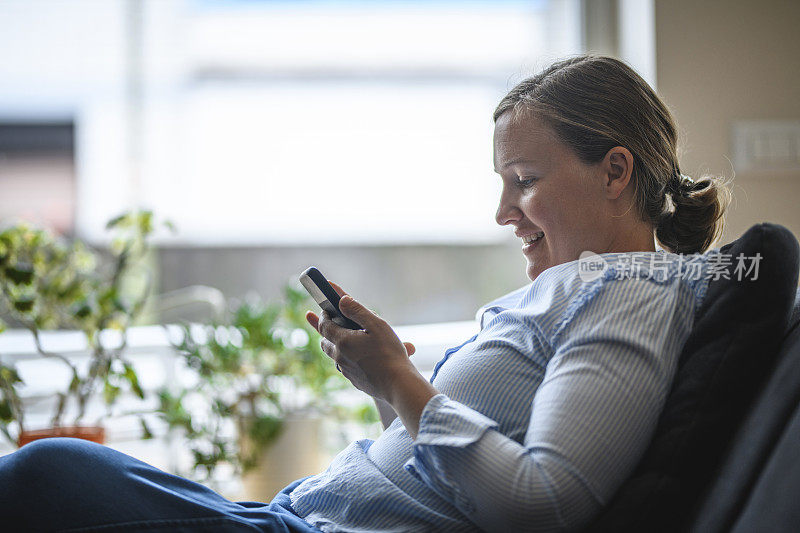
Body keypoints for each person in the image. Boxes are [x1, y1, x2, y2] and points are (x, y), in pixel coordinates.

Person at [0, 54, 730, 532]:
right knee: (47, 474)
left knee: (44, 475)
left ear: (614, 171)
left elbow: (544, 501)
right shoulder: (579, 288)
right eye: (503, 184)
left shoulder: (629, 293)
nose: (504, 212)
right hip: (296, 514)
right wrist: (382, 388)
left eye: (526, 181)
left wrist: (404, 381)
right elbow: (438, 475)